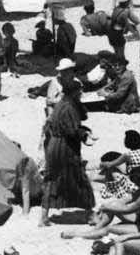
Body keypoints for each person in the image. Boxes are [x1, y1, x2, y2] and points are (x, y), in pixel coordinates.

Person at [42, 78, 95, 225]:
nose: (81, 93)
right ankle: (90, 215)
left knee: (51, 180)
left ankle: (43, 216)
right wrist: (84, 135)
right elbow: (71, 130)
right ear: (74, 92)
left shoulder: (61, 104)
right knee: (79, 178)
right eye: (79, 91)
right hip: (65, 147)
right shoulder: (69, 107)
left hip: (54, 145)